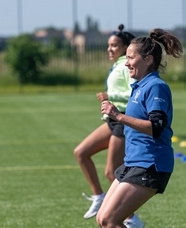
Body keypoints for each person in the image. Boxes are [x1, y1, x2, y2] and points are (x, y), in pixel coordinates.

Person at [97, 28, 183, 228]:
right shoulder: (139, 86)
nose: (126, 63)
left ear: (148, 59)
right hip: (133, 162)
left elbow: (156, 127)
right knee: (102, 219)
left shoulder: (155, 86)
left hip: (150, 164)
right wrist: (116, 113)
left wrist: (118, 115)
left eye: (131, 57)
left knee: (110, 220)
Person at [74, 24, 145, 227]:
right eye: (108, 45)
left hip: (123, 120)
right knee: (81, 152)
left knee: (111, 171)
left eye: (114, 45)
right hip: (112, 120)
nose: (110, 49)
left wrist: (110, 96)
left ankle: (132, 218)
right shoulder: (117, 65)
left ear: (125, 47)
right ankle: (99, 197)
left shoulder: (125, 65)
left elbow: (135, 92)